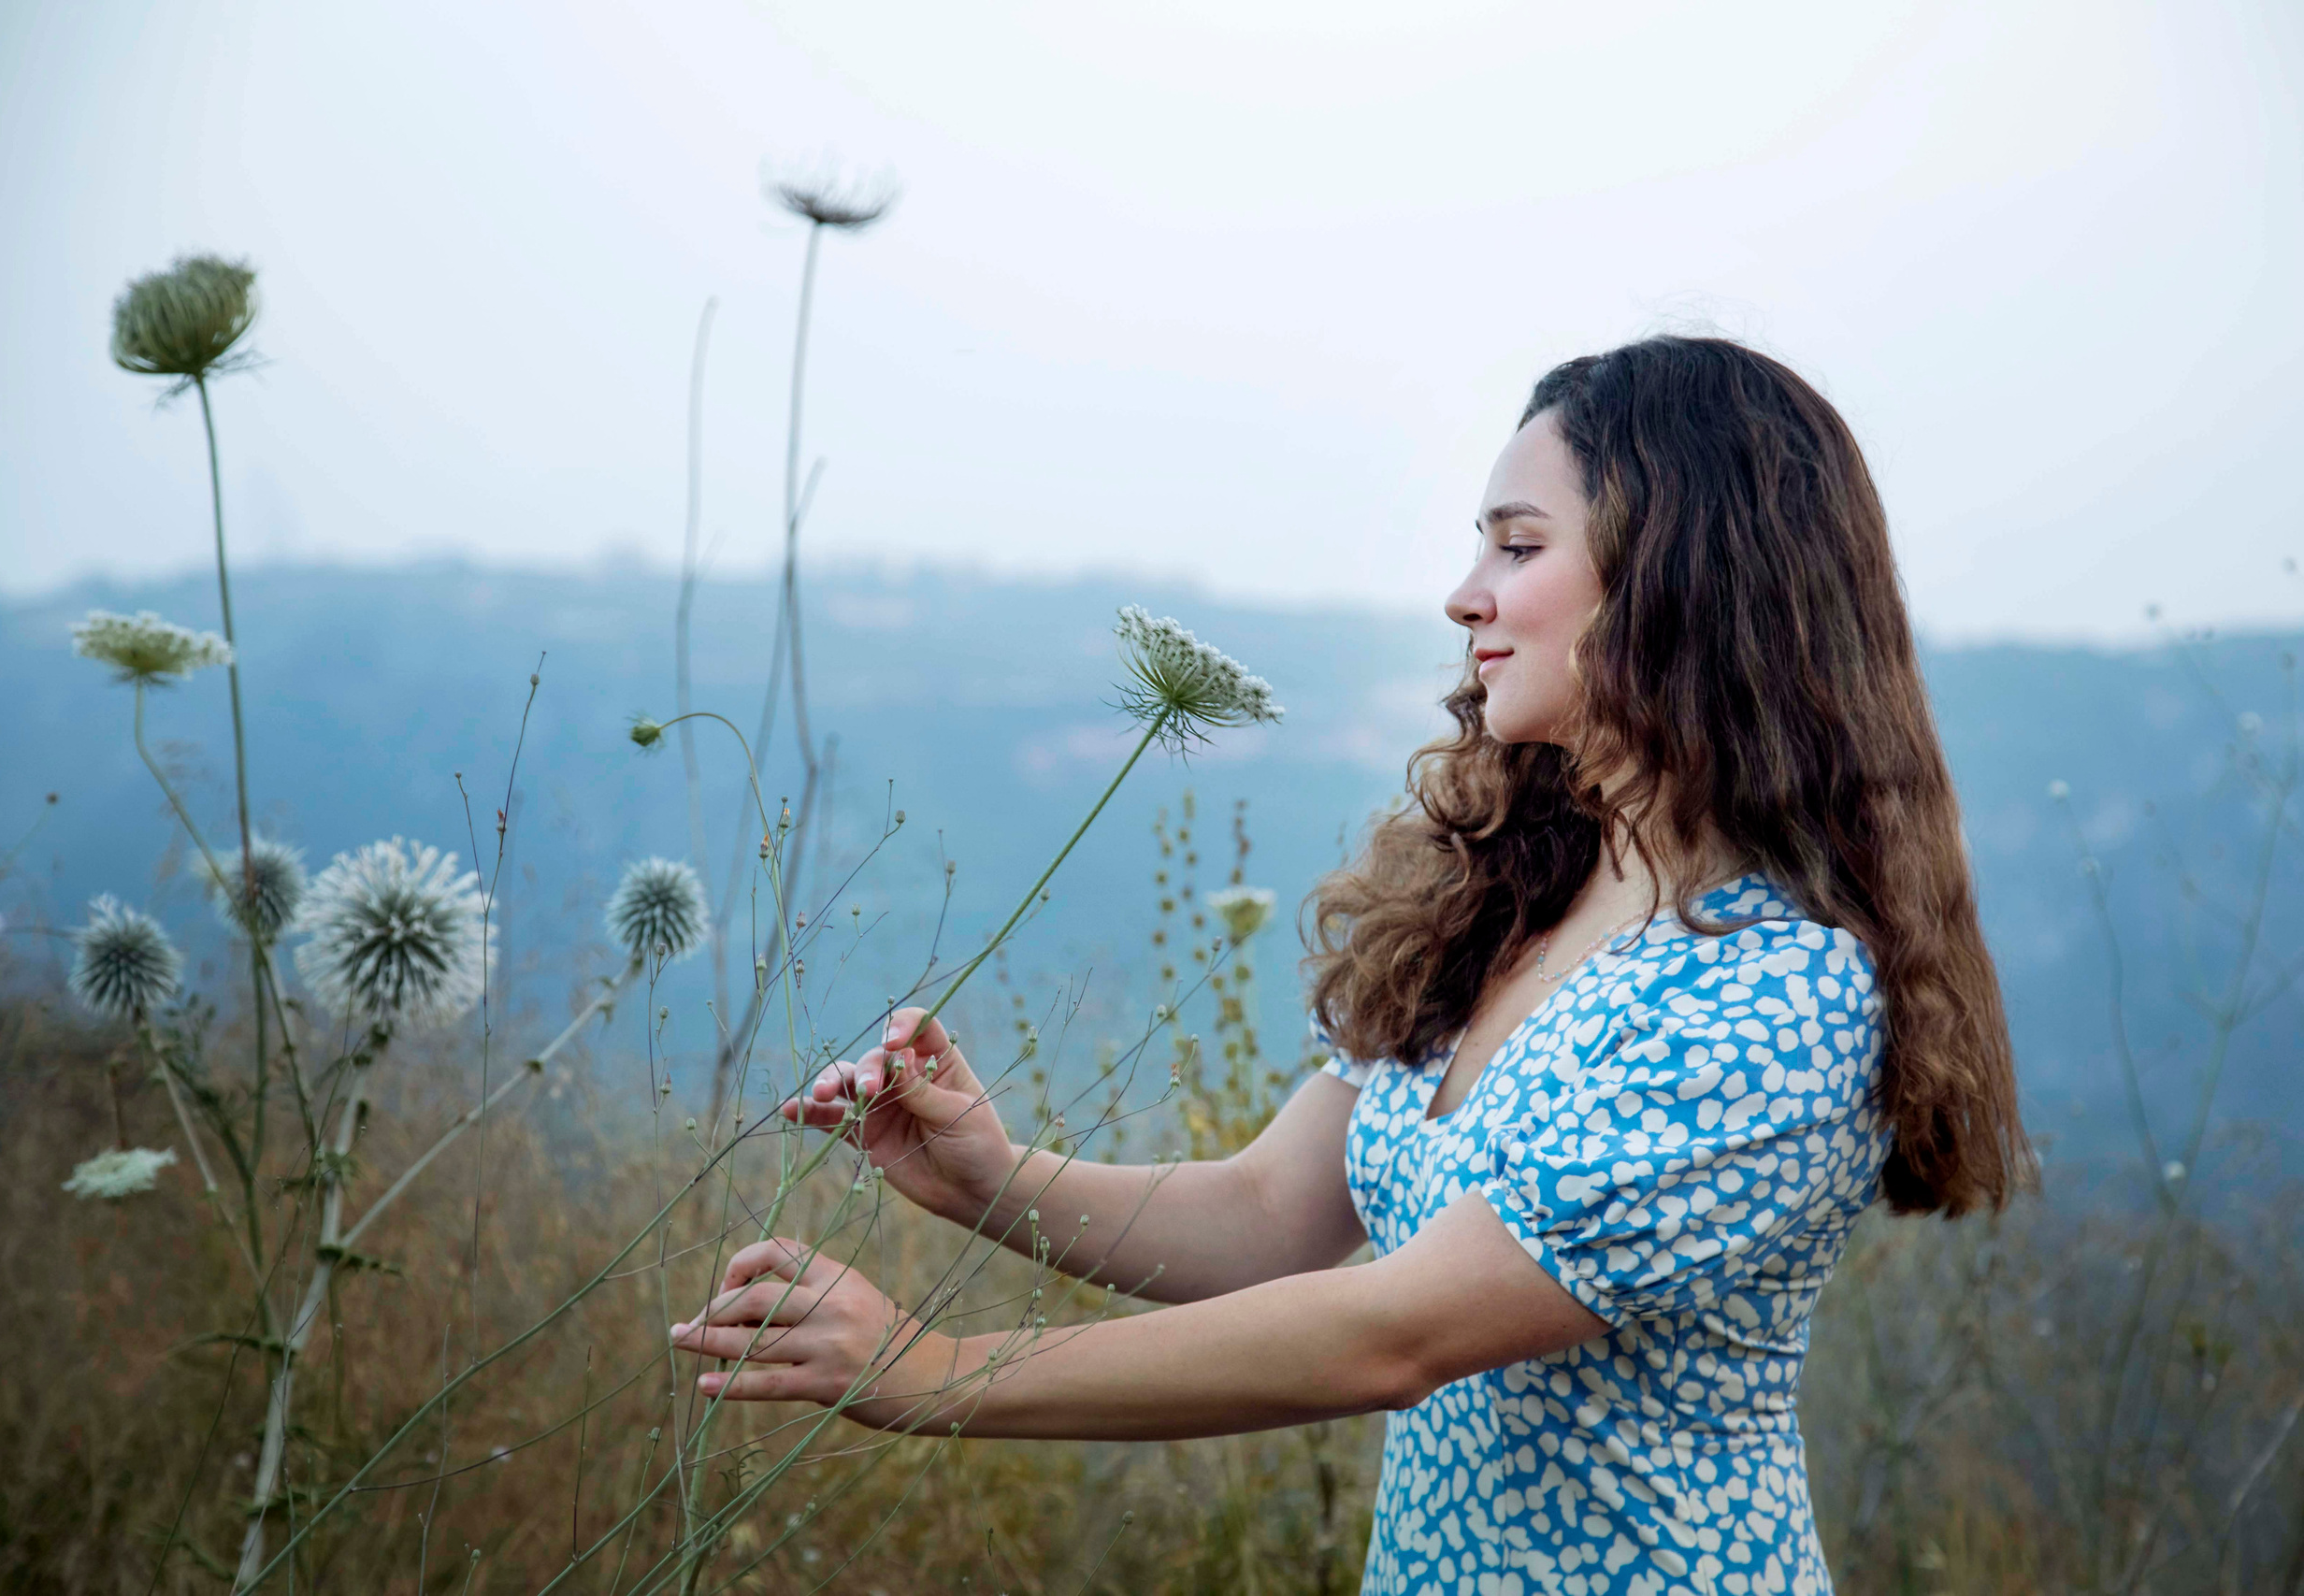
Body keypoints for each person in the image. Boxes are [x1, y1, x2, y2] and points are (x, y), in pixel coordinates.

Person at [669, 336, 2029, 1596]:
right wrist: (992, 1179)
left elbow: (1393, 1334)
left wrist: (930, 1372)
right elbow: (1273, 1213)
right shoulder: (1515, 899)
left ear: (1680, 575)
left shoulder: (1776, 995)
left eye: (1519, 545)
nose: (1466, 593)